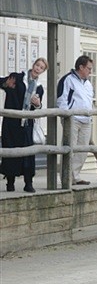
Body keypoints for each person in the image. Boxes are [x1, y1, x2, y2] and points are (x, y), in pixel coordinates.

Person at [0, 57, 48, 192]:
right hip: (11, 123)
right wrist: (5, 85)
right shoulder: (17, 78)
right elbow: (2, 83)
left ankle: (28, 183)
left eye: (41, 67)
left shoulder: (39, 88)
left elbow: (37, 106)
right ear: (33, 65)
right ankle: (10, 183)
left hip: (27, 123)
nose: (38, 68)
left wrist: (38, 104)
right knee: (11, 151)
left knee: (28, 154)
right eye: (37, 65)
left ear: (43, 71)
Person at [56, 55, 94, 185]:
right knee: (69, 148)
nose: (90, 71)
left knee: (83, 150)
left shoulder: (88, 84)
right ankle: (66, 178)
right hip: (73, 119)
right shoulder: (68, 79)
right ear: (81, 67)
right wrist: (66, 116)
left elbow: (88, 101)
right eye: (88, 68)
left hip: (86, 120)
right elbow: (62, 99)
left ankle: (75, 176)